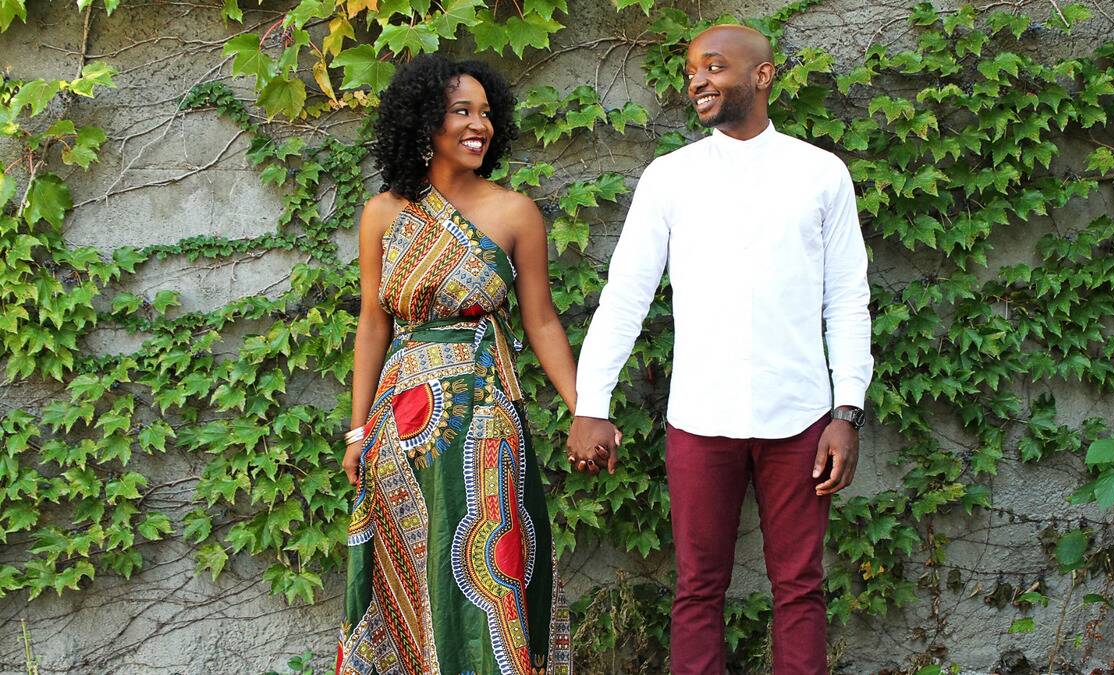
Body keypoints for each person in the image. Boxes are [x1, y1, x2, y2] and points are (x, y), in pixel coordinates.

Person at [566, 24, 874, 675]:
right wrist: (592, 402)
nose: (698, 81)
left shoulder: (821, 174)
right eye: (691, 71)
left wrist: (847, 413)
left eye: (714, 67)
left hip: (801, 417)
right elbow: (626, 294)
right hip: (700, 419)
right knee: (698, 588)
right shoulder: (670, 177)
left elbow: (847, 298)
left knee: (800, 587)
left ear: (762, 76)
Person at [336, 54, 594, 675]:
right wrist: (357, 429)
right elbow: (374, 323)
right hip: (398, 428)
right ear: (425, 122)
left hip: (485, 422)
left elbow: (541, 322)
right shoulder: (383, 213)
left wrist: (585, 409)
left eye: (485, 113)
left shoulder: (515, 213)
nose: (479, 125)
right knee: (411, 577)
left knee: (487, 569)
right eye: (461, 112)